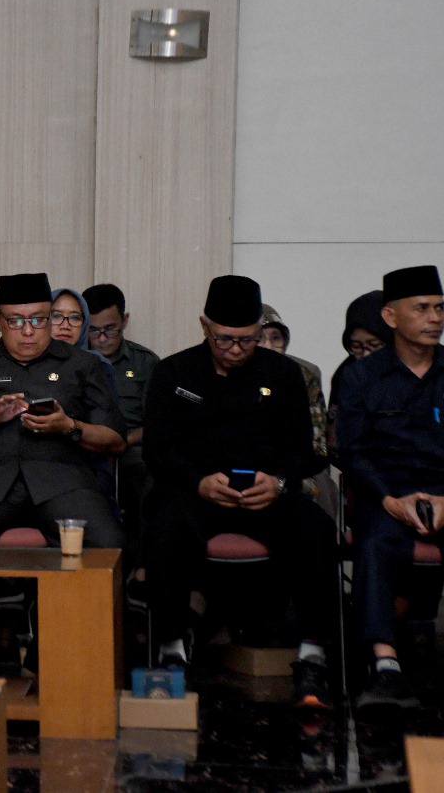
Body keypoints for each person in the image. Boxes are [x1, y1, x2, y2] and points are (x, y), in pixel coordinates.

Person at [143, 275, 336, 709]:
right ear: (205, 327)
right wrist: (198, 481)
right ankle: (172, 646)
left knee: (316, 530)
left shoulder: (284, 374)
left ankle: (313, 655)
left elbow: (304, 451)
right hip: (196, 493)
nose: (235, 349)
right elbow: (157, 449)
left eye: (246, 340)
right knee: (164, 526)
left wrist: (279, 482)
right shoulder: (173, 372)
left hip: (265, 495)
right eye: (225, 339)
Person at [0, 274, 125, 672]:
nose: (28, 331)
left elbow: (115, 439)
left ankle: (64, 645)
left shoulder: (83, 366)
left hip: (63, 482)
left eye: (39, 320)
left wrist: (69, 427)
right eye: (16, 321)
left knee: (109, 542)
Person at [337, 265, 444, 711]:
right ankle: (384, 664)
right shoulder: (361, 377)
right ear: (391, 316)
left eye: (440, 308)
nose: (435, 318)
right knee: (374, 543)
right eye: (422, 308)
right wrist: (390, 499)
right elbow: (353, 453)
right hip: (387, 496)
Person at [83, 283, 160, 563]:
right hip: (85, 446)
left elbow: (158, 422)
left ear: (124, 321)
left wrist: (122, 440)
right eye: (94, 331)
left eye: (110, 329)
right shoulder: (74, 361)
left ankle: (141, 564)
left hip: (130, 448)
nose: (102, 339)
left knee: (150, 474)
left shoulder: (145, 363)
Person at [328, 290, 393, 460]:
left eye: (374, 345)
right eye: (356, 347)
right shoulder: (346, 374)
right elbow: (334, 440)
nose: (365, 354)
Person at [260, 304, 328, 460]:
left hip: (297, 464)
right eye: (260, 338)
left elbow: (318, 443)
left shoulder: (305, 373)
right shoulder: (232, 372)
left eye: (275, 338)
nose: (269, 346)